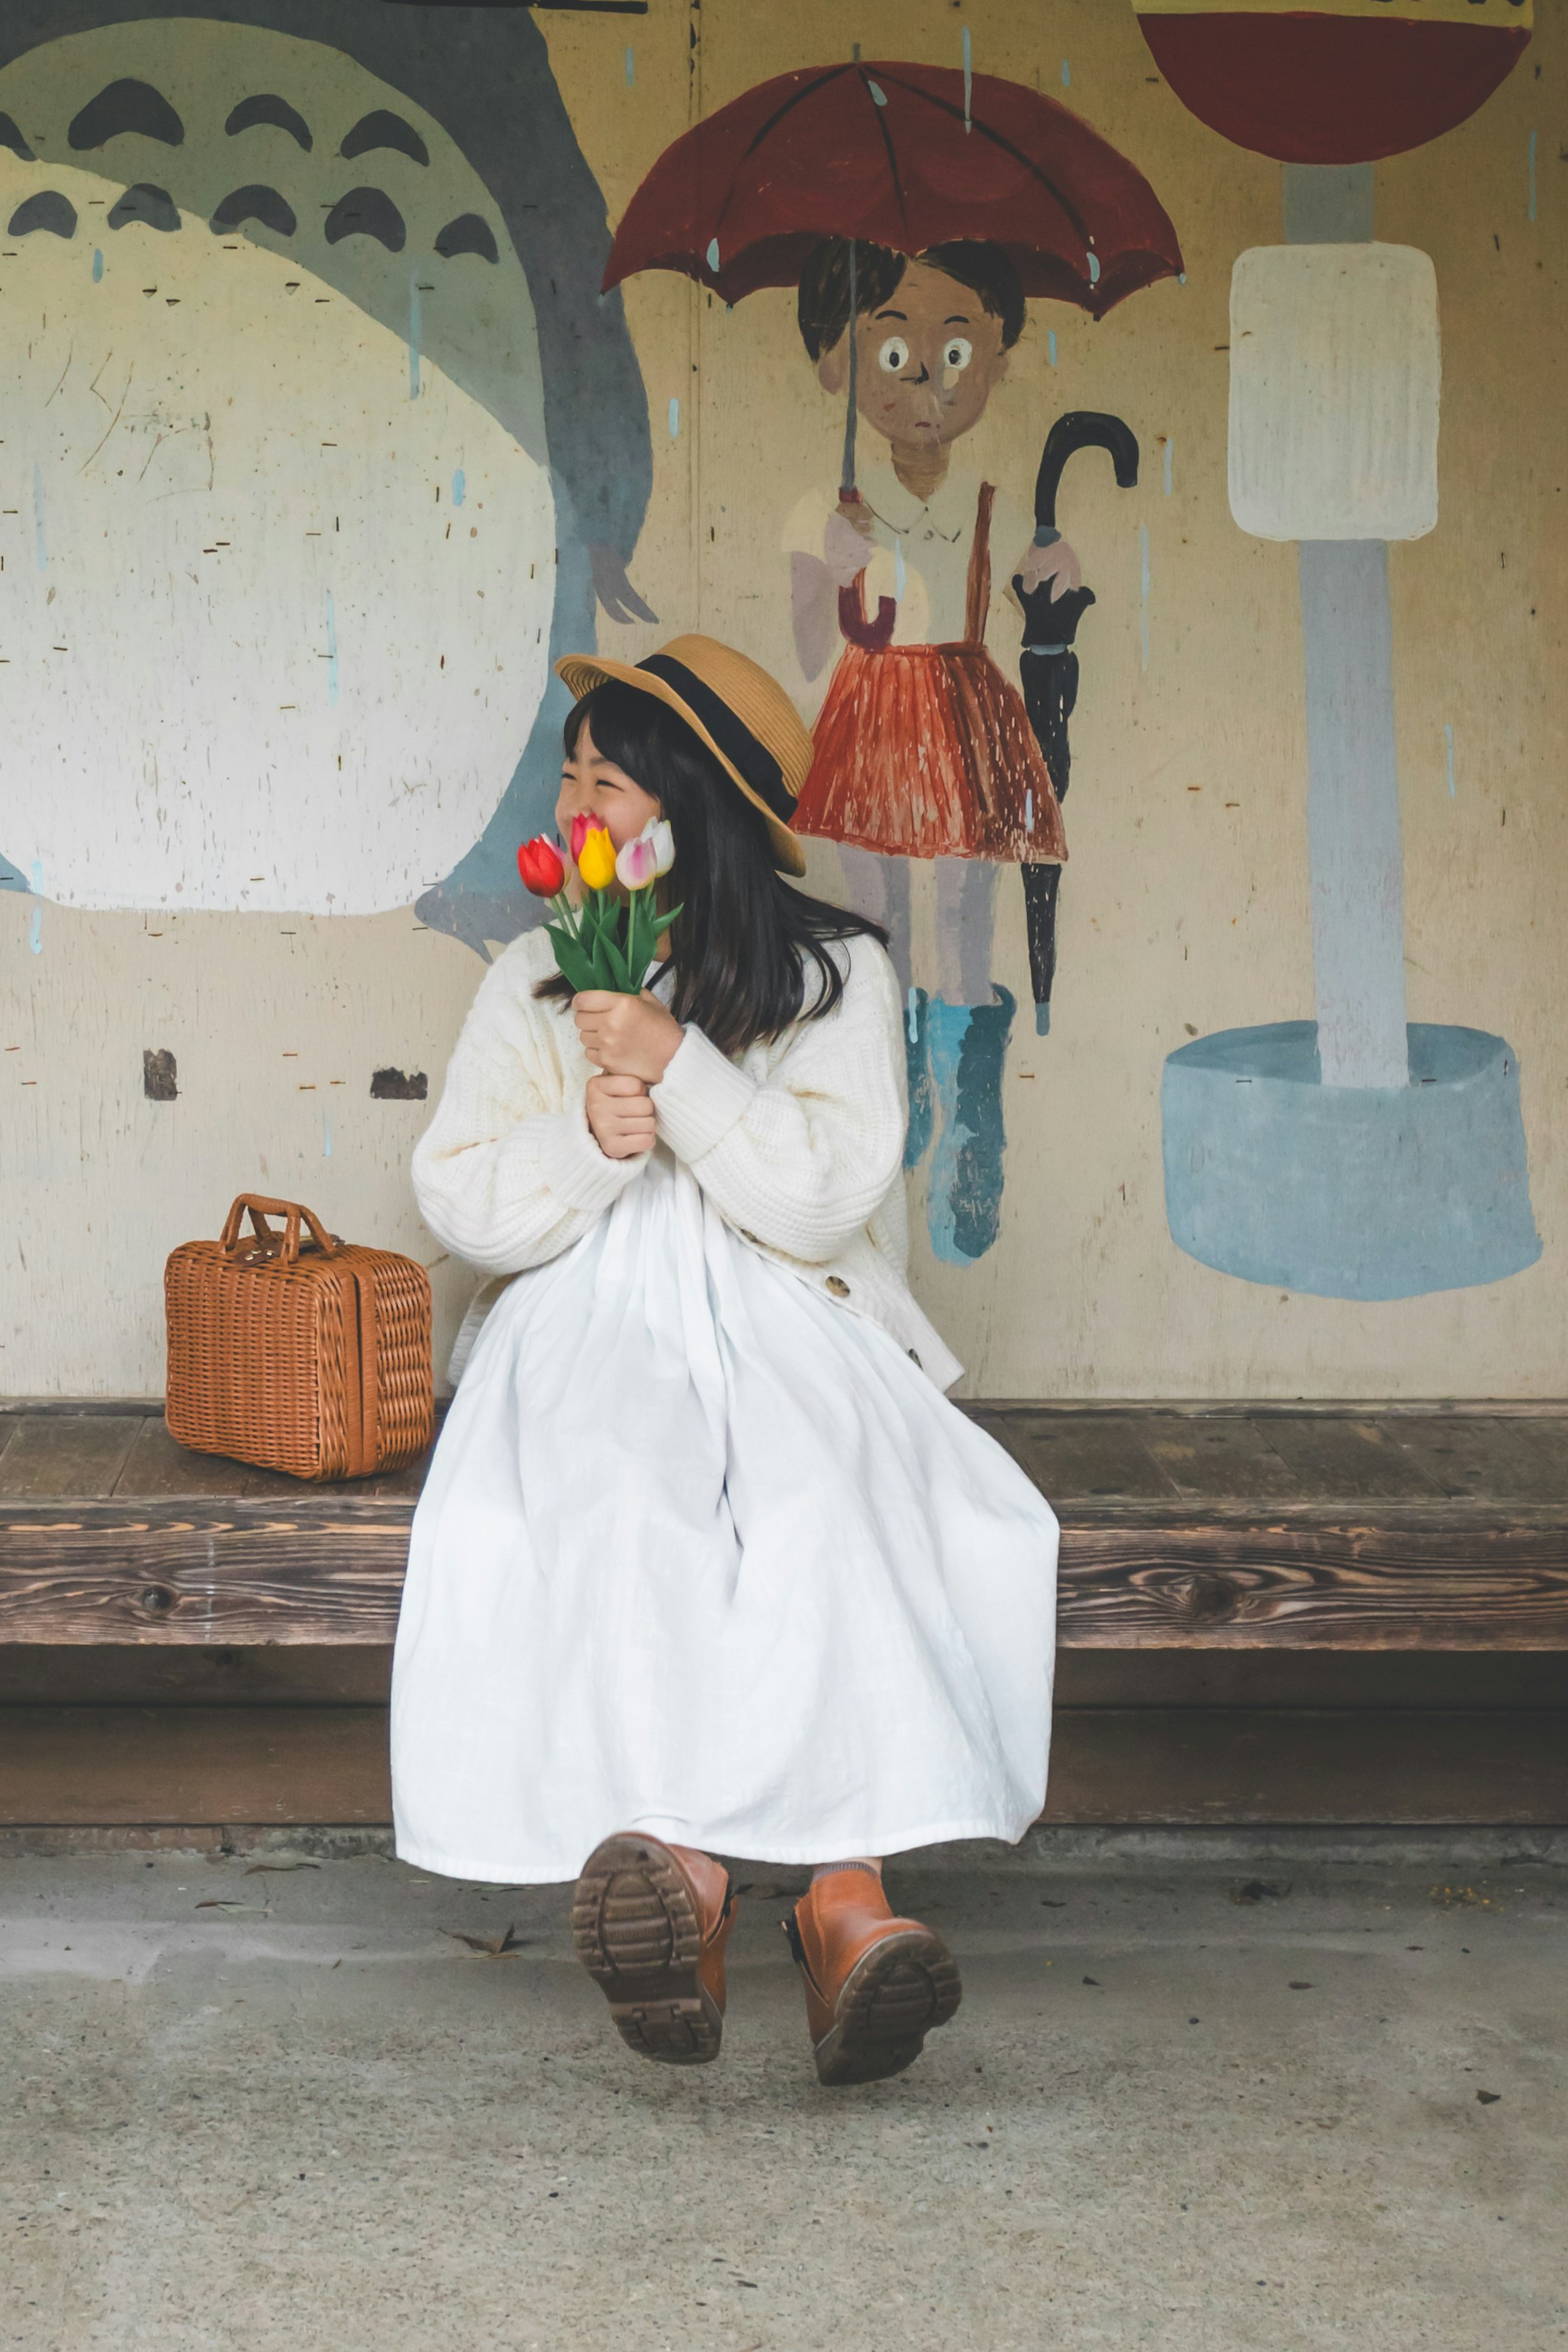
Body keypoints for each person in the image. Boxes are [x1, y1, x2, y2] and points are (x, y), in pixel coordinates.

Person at [391, 633, 1062, 2085]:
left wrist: (677, 1068)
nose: (574, 805)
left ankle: (838, 1907)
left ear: (689, 808)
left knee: (829, 1505)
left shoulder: (834, 974)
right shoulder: (530, 972)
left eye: (608, 783)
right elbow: (457, 1194)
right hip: (593, 1315)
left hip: (789, 1306)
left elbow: (826, 1195)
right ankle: (702, 1884)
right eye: (568, 775)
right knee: (627, 1501)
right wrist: (583, 1142)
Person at [781, 239, 1077, 1262]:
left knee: (963, 912)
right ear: (838, 365)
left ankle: (971, 1113)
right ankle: (889, 1094)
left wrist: (1051, 575)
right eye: (893, 357)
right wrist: (832, 566)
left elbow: (1032, 613)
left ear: (998, 356)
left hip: (960, 712)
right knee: (878, 920)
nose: (926, 387)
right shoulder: (827, 509)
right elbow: (815, 647)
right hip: (871, 720)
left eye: (956, 356)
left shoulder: (991, 500)